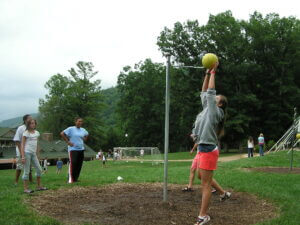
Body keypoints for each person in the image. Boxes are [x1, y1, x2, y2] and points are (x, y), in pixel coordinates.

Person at [193, 62, 231, 225]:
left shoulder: (217, 112)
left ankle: (203, 216)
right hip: (203, 148)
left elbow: (209, 92)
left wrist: (214, 73)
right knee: (202, 176)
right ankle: (223, 193)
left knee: (205, 184)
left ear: (220, 104)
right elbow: (204, 92)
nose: (212, 97)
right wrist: (207, 74)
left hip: (208, 149)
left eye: (216, 98)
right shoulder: (207, 108)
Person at [20, 119, 47, 193]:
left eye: (34, 123)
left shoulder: (37, 133)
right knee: (27, 171)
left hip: (33, 154)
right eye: (31, 123)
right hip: (27, 153)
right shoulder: (26, 133)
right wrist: (23, 156)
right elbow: (22, 145)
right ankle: (26, 189)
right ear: (28, 124)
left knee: (39, 169)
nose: (33, 125)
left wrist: (38, 154)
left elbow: (37, 144)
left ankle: (39, 186)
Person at [60, 117, 89, 183]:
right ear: (75, 122)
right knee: (73, 163)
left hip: (81, 149)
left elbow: (87, 134)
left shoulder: (83, 130)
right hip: (73, 149)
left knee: (79, 164)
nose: (80, 123)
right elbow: (62, 133)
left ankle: (75, 179)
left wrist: (84, 139)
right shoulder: (71, 129)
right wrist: (68, 142)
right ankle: (70, 179)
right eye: (79, 121)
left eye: (81, 121)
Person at [13, 114, 33, 185]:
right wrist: (21, 153)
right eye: (29, 118)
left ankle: (31, 181)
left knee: (29, 166)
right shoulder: (21, 128)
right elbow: (17, 140)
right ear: (25, 120)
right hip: (20, 149)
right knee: (19, 166)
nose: (31, 119)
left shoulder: (31, 128)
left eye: (31, 118)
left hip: (29, 149)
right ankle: (16, 181)